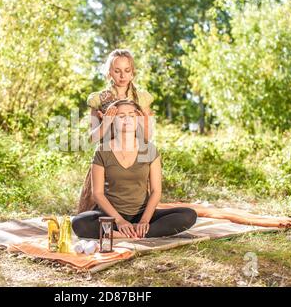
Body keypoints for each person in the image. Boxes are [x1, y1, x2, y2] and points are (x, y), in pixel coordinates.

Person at [72, 100, 197, 239]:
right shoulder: (102, 151)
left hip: (141, 214)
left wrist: (145, 220)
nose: (127, 120)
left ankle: (128, 233)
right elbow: (98, 194)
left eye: (131, 115)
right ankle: (133, 234)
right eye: (121, 116)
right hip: (111, 216)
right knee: (79, 223)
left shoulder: (149, 149)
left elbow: (156, 191)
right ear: (112, 120)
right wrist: (119, 221)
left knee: (188, 215)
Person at [77, 49, 154, 213]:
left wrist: (141, 120)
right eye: (117, 71)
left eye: (127, 70)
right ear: (109, 72)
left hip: (133, 158)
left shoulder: (141, 98)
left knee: (134, 209)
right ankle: (112, 227)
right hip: (107, 159)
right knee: (93, 214)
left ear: (133, 72)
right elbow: (92, 138)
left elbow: (147, 137)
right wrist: (106, 122)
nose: (122, 76)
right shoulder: (99, 99)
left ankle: (135, 225)